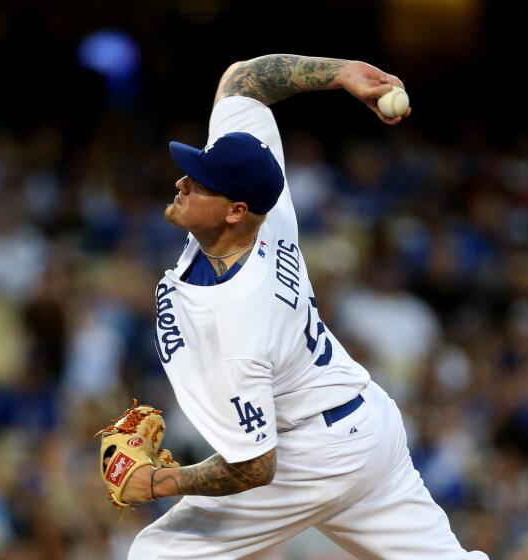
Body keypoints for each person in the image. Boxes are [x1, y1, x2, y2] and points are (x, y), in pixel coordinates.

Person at [123, 54, 488, 560]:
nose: (182, 182)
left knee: (162, 554)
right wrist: (340, 73)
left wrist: (159, 481)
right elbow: (241, 83)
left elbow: (256, 467)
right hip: (362, 422)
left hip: (314, 451)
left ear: (235, 211)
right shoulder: (262, 205)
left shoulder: (237, 323)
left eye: (199, 181)